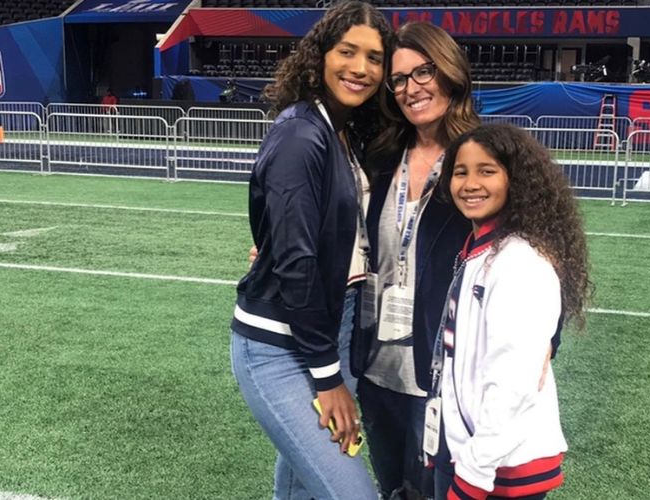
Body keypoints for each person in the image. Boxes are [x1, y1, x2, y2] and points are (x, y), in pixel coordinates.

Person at [229, 2, 393, 499]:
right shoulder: (302, 132)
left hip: (329, 332)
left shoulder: (339, 130)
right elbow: (297, 263)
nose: (360, 68)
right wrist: (328, 379)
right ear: (320, 55)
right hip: (280, 346)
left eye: (374, 57)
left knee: (301, 491)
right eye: (347, 52)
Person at [351, 22, 480, 500]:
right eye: (399, 79)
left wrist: (545, 342)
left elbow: (531, 247)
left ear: (449, 72)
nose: (411, 88)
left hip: (442, 373)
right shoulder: (384, 154)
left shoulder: (484, 156)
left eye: (422, 72)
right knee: (392, 491)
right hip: (376, 368)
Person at [429, 123, 591, 500]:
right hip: (475, 455)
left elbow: (511, 384)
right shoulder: (480, 249)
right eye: (460, 172)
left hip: (501, 469)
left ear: (515, 179)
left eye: (487, 171)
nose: (470, 184)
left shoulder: (520, 262)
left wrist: (472, 475)